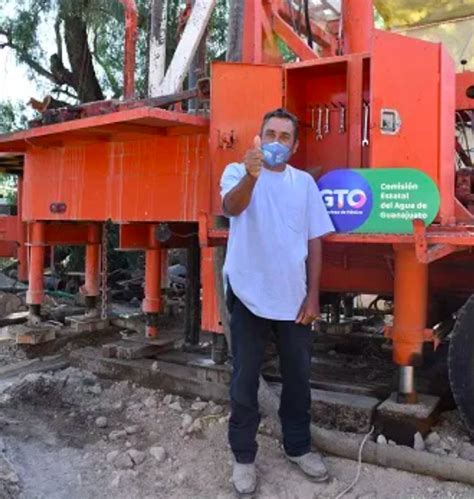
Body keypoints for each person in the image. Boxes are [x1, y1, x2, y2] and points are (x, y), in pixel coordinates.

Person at [220, 108, 335, 495]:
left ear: (295, 145)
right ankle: (243, 457)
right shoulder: (238, 173)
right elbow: (231, 208)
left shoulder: (303, 184)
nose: (276, 142)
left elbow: (314, 240)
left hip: (293, 299)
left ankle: (298, 447)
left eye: (284, 137)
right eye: (270, 133)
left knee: (298, 377)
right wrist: (252, 177)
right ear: (259, 136)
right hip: (249, 294)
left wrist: (314, 294)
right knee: (244, 379)